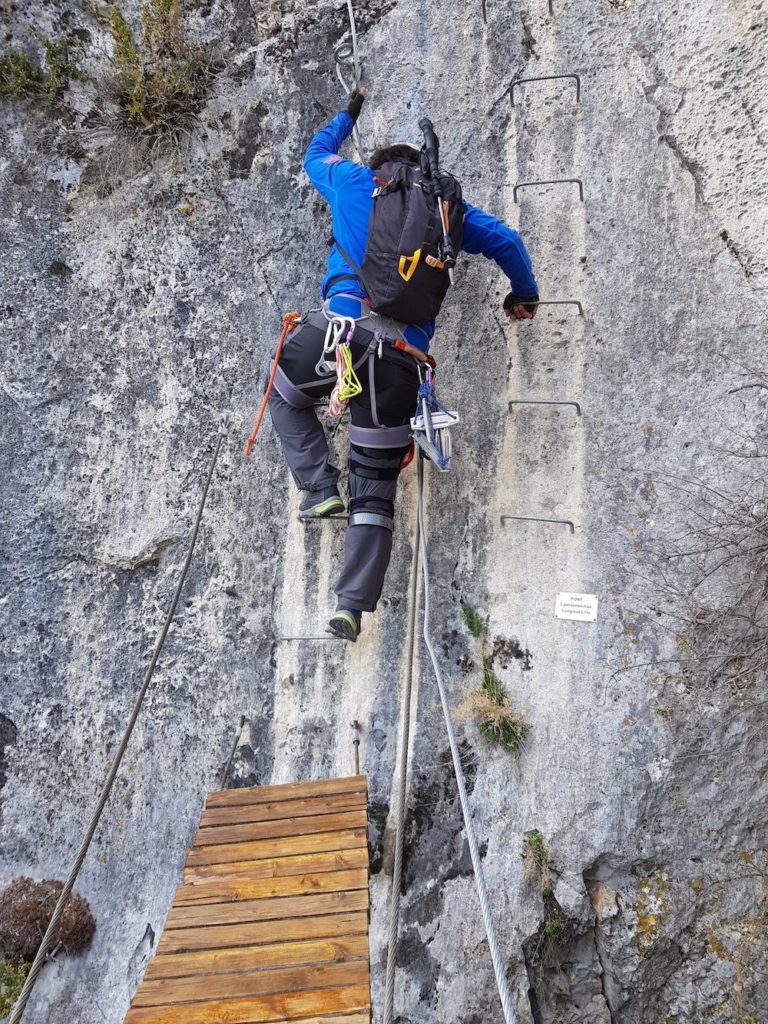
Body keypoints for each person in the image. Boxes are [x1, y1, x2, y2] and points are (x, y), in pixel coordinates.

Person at [267, 88, 538, 642]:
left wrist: (348, 113)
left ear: (380, 171)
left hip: (337, 339)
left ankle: (319, 490)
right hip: (399, 364)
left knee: (286, 393)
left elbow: (314, 154)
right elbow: (508, 240)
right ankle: (350, 606)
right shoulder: (446, 211)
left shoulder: (348, 181)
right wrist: (523, 294)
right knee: (375, 485)